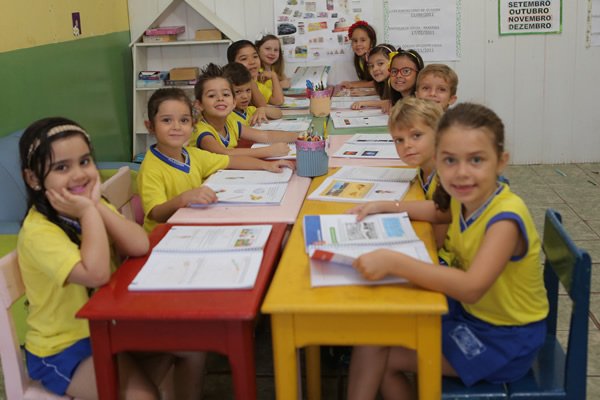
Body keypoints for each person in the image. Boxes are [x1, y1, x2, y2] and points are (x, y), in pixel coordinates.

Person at [347, 103, 549, 400]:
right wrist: (383, 205)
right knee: (371, 336)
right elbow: (439, 211)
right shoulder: (465, 199)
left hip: (503, 339)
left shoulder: (505, 219)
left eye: (477, 160)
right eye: (450, 160)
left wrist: (393, 261)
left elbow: (470, 288)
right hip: (471, 316)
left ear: (501, 161)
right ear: (438, 160)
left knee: (380, 358)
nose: (462, 172)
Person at [16, 117, 200, 399]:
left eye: (85, 161)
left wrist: (94, 208)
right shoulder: (38, 231)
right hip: (65, 347)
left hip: (112, 326)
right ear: (33, 179)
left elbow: (139, 245)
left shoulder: (95, 204)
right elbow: (96, 274)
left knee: (194, 348)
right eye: (62, 167)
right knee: (143, 396)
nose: (78, 174)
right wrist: (89, 212)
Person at [139, 87, 293, 233]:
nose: (176, 127)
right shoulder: (151, 169)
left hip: (191, 224)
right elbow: (156, 213)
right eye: (166, 120)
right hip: (162, 236)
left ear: (193, 124)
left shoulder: (193, 154)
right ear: (150, 127)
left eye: (184, 120)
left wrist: (266, 165)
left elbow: (230, 161)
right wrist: (183, 199)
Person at [192, 63, 297, 158]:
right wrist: (269, 151)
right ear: (199, 105)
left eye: (225, 94)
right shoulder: (202, 131)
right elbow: (225, 153)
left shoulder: (230, 124)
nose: (220, 99)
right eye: (211, 96)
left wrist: (301, 137)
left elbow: (266, 136)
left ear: (233, 102)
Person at [222, 61, 282, 126]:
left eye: (248, 90)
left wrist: (263, 110)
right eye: (238, 92)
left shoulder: (249, 110)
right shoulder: (227, 117)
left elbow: (279, 113)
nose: (245, 96)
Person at [227, 40, 284, 106]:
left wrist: (273, 75)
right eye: (244, 59)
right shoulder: (228, 85)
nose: (252, 62)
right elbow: (262, 105)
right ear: (232, 64)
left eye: (255, 56)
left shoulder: (257, 85)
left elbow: (278, 101)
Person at [350, 44, 396, 113]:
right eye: (371, 66)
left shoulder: (396, 82)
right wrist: (367, 93)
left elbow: (388, 103)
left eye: (380, 63)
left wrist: (364, 103)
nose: (374, 69)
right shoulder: (384, 82)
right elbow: (383, 92)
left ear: (392, 62)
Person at [340, 20, 377, 89]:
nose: (358, 44)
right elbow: (368, 81)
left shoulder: (376, 59)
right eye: (355, 41)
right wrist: (350, 83)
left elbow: (378, 83)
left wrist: (353, 85)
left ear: (372, 42)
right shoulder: (360, 59)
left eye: (363, 40)